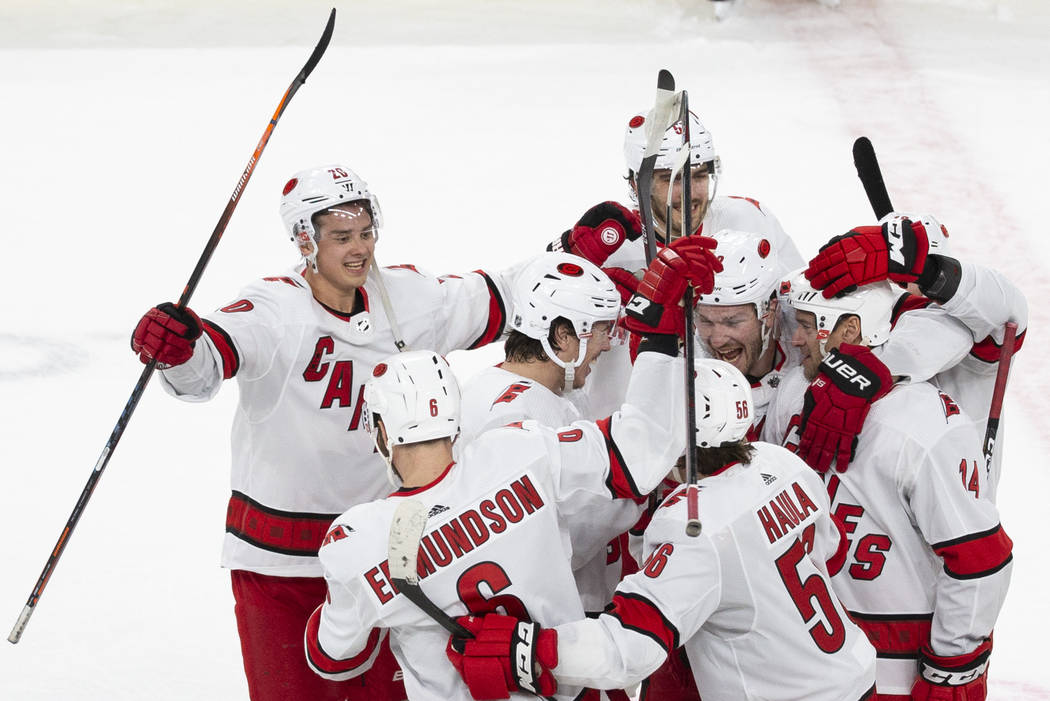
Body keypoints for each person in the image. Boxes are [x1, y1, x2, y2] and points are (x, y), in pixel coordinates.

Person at [129, 164, 518, 701]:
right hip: (280, 563)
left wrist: (579, 251)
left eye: (365, 233)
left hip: (387, 554)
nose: (360, 250)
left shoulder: (408, 296)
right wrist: (179, 349)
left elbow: (503, 296)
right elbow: (207, 366)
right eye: (341, 238)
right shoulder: (272, 308)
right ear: (305, 239)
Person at [303, 238, 721, 700]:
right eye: (598, 331)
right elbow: (638, 453)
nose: (607, 343)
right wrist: (658, 333)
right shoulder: (517, 450)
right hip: (570, 675)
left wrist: (357, 583)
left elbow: (333, 659)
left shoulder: (362, 540)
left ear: (381, 433)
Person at [446, 360, 877, 701]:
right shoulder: (780, 461)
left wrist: (532, 650)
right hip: (853, 675)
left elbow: (633, 646)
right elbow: (830, 554)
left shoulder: (692, 523)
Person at [763, 273, 1014, 700]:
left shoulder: (923, 424)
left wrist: (953, 669)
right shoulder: (793, 392)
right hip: (801, 666)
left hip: (892, 677)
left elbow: (980, 558)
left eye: (807, 324)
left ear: (849, 329)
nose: (797, 340)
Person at [548, 108, 804, 419]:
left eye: (699, 176)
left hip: (742, 417)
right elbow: (525, 339)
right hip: (629, 435)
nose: (690, 194)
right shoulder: (608, 250)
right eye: (671, 179)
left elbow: (798, 316)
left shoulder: (748, 219)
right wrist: (566, 265)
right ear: (635, 182)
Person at [801, 212, 1027, 499]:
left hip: (948, 527)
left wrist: (926, 270)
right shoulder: (861, 321)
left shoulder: (971, 334)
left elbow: (1007, 310)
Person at [458, 252, 635, 616]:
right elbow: (538, 544)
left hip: (565, 611)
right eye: (600, 329)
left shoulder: (546, 390)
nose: (606, 343)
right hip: (544, 625)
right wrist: (635, 490)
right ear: (562, 334)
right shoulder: (512, 415)